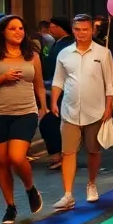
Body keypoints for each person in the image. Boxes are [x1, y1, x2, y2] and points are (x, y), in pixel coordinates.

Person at [0, 15, 46, 224]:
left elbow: (39, 85)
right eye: (13, 28)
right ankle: (10, 206)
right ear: (3, 32)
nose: (18, 32)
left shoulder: (31, 55)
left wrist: (43, 107)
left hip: (25, 112)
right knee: (3, 162)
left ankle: (30, 188)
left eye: (21, 28)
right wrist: (2, 78)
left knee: (16, 157)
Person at [50, 15, 113, 210]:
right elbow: (58, 80)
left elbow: (109, 84)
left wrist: (108, 108)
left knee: (94, 151)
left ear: (92, 31)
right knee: (67, 152)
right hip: (69, 110)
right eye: (77, 29)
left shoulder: (103, 53)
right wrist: (54, 101)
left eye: (85, 29)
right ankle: (68, 194)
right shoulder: (64, 54)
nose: (81, 33)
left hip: (95, 111)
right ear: (73, 30)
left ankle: (91, 183)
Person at [40, 16, 72, 170]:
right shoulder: (55, 44)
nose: (50, 29)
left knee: (51, 122)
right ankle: (58, 153)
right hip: (52, 87)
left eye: (53, 26)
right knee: (50, 122)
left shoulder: (68, 44)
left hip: (65, 90)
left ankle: (60, 154)